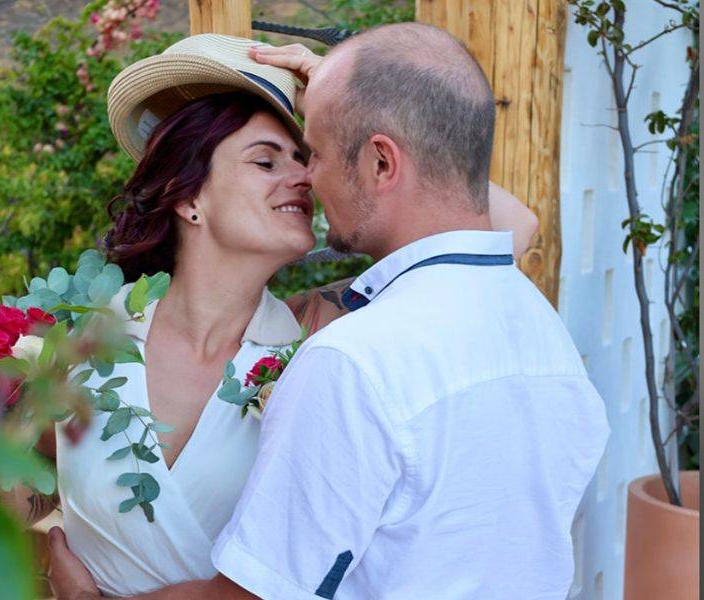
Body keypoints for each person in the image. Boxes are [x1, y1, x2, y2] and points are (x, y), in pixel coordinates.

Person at [48, 28, 553, 599]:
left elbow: (515, 228)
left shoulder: (326, 330)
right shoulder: (90, 333)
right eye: (267, 161)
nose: (303, 177)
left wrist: (349, 98)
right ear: (189, 198)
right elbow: (24, 477)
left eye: (306, 158)